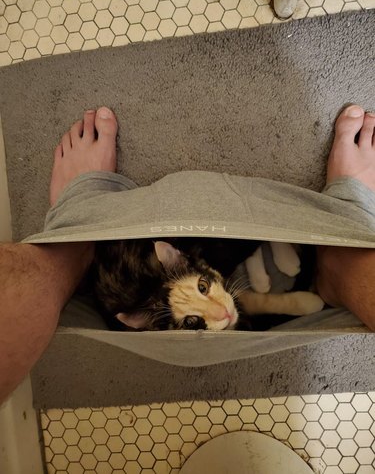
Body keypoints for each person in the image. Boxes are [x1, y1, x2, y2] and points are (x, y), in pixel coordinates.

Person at [0, 105, 374, 404]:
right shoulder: (165, 318)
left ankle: (71, 241)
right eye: (195, 321)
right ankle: (346, 258)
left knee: (23, 278)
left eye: (203, 288)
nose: (221, 312)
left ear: (189, 264)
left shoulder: (184, 264)